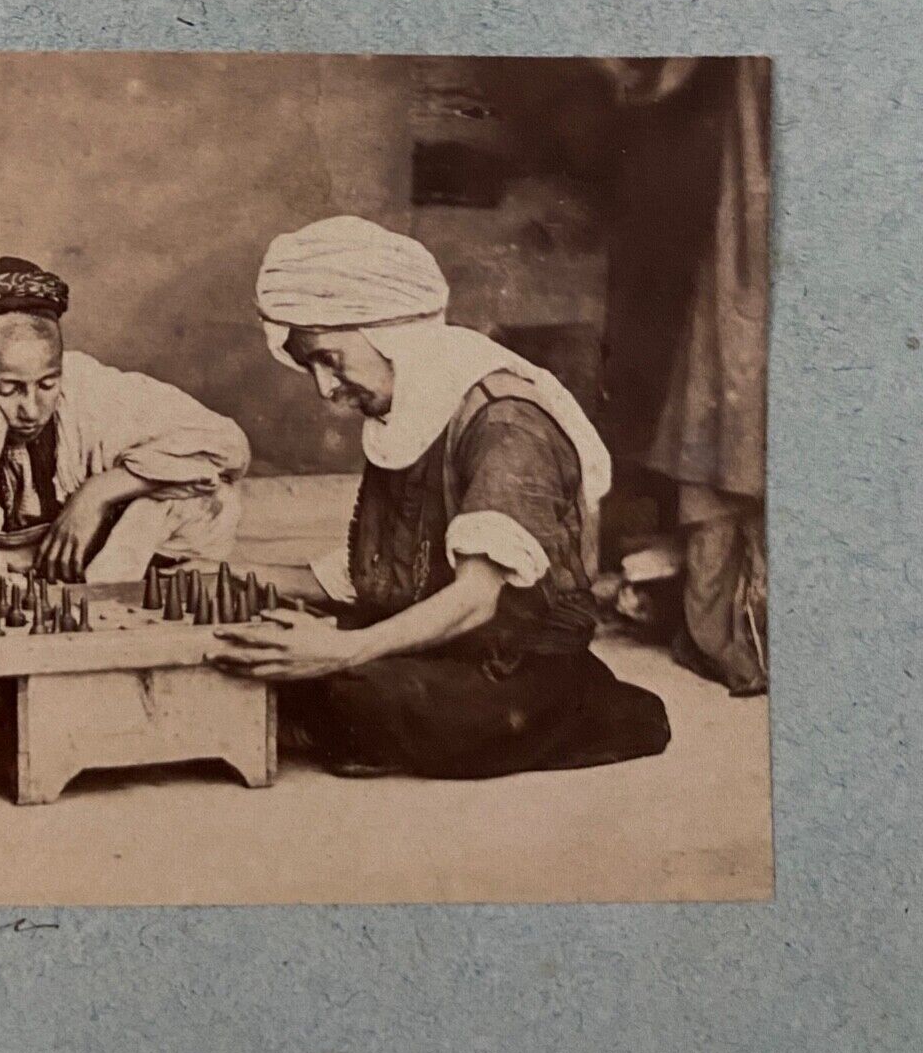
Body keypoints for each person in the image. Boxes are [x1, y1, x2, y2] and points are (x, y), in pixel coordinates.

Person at [213, 215, 671, 779]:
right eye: (312, 365)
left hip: (511, 668)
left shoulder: (506, 421)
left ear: (391, 335)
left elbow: (476, 600)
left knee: (338, 683)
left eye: (329, 358)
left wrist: (340, 651)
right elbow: (377, 572)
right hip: (448, 651)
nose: (325, 388)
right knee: (269, 649)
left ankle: (590, 714)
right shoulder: (413, 405)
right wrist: (222, 571)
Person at [0, 257, 251, 596]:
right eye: (8, 388)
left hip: (81, 561)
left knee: (208, 498)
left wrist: (97, 494)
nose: (32, 409)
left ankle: (116, 599)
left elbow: (227, 448)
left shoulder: (87, 383)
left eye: (47, 383)